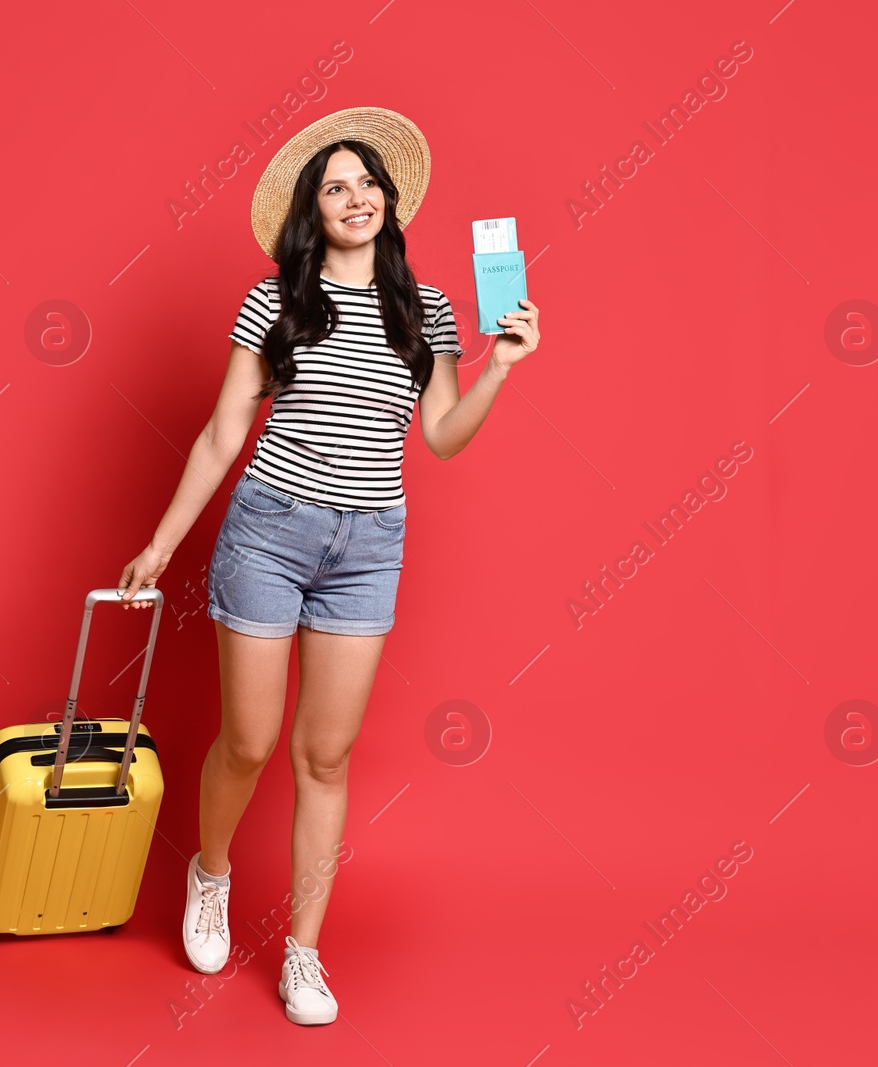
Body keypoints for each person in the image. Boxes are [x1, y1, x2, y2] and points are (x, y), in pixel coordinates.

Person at [117, 107, 540, 1025]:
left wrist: (499, 368)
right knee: (250, 741)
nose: (356, 196)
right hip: (270, 530)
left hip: (369, 546)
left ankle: (303, 953)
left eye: (366, 182)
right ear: (314, 212)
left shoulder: (426, 309)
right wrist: (161, 542)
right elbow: (226, 430)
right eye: (334, 186)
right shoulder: (277, 301)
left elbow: (439, 438)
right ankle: (212, 873)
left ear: (391, 201)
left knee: (327, 754)